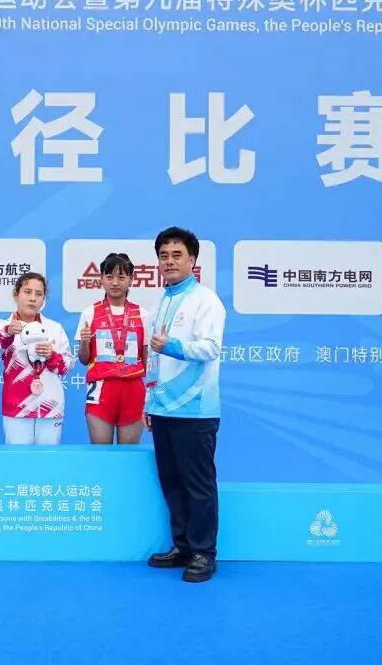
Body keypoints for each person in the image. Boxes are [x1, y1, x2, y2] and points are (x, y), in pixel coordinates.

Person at [144, 227, 226, 583]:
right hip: (163, 409)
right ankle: (183, 546)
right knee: (172, 483)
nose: (169, 261)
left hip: (195, 410)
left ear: (192, 260)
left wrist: (173, 346)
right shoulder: (160, 302)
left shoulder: (206, 300)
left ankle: (204, 552)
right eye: (163, 255)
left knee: (198, 484)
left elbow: (210, 348)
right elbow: (153, 360)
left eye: (176, 255)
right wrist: (149, 401)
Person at [0, 273, 73, 445]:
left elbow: (66, 366)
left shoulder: (54, 328)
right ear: (16, 294)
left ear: (44, 299)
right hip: (17, 407)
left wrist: (51, 356)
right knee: (18, 458)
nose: (33, 298)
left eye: (39, 294)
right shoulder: (4, 326)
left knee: (48, 458)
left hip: (50, 406)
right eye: (27, 292)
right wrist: (9, 331)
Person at [77, 252, 148, 445]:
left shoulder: (142, 314)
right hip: (101, 389)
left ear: (131, 279)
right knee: (101, 454)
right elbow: (84, 359)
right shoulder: (90, 312)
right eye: (109, 277)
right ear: (101, 279)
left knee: (128, 455)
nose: (115, 282)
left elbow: (146, 358)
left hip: (133, 389)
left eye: (121, 277)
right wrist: (84, 342)